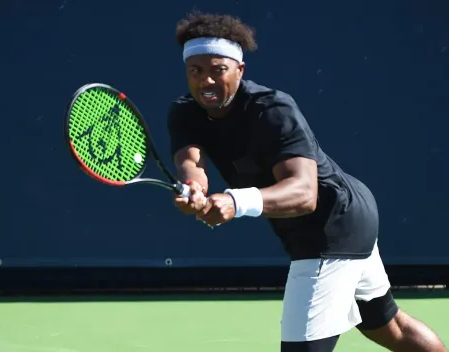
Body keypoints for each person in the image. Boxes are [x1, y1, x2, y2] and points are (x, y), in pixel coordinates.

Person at [166, 11, 447, 352]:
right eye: (195, 71)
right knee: (389, 327)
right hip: (339, 219)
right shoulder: (185, 112)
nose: (205, 82)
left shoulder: (272, 110)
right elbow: (191, 162)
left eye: (217, 70)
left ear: (240, 71)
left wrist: (235, 201)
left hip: (332, 226)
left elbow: (304, 193)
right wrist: (194, 189)